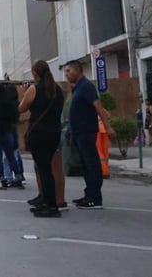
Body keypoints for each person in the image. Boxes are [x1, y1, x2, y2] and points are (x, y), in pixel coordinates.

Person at [64, 59, 115, 209]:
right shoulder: (78, 87)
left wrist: (108, 127)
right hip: (79, 133)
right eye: (65, 71)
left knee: (92, 164)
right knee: (85, 165)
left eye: (69, 71)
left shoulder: (86, 86)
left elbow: (98, 107)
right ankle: (88, 195)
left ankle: (95, 198)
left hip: (86, 132)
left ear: (77, 70)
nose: (66, 74)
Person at [19, 60, 65, 218]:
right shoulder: (57, 90)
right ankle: (47, 201)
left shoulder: (34, 89)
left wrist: (25, 92)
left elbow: (21, 108)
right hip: (54, 133)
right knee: (46, 168)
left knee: (44, 169)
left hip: (39, 134)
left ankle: (50, 205)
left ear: (35, 73)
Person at [0, 82, 24, 190]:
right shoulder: (10, 105)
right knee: (11, 157)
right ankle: (18, 179)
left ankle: (3, 181)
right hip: (7, 133)